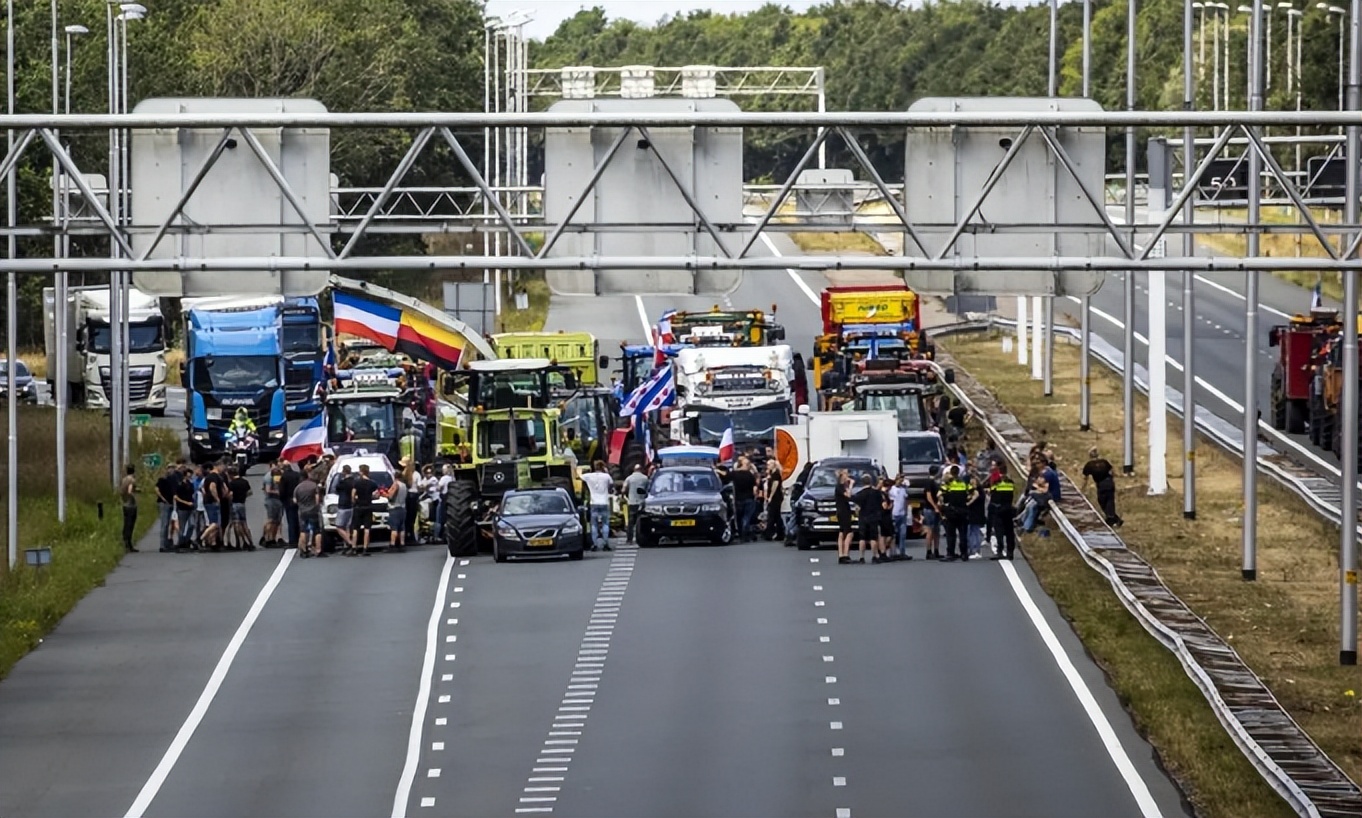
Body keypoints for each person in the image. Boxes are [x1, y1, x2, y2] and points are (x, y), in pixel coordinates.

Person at [939, 465, 974, 562]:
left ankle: (950, 554)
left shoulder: (949, 483)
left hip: (952, 510)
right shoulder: (964, 483)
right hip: (963, 510)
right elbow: (972, 492)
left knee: (951, 534)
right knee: (963, 533)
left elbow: (941, 494)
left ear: (951, 473)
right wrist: (967, 500)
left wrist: (944, 504)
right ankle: (964, 554)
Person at [1082, 447, 1123, 528]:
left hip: (1101, 484)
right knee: (1110, 501)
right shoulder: (1104, 462)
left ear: (1090, 456)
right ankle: (1115, 519)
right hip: (1109, 482)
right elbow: (1112, 471)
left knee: (1103, 502)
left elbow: (1085, 478)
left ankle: (1111, 519)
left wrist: (1083, 489)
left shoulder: (1089, 465)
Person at [581, 460, 615, 551]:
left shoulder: (589, 476)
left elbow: (579, 476)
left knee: (594, 524)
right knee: (605, 523)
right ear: (603, 467)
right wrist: (607, 472)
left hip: (594, 502)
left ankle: (594, 544)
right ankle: (606, 543)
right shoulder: (606, 476)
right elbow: (611, 487)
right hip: (604, 502)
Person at [988, 466, 1019, 561]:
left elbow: (992, 493)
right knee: (1010, 531)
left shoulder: (997, 483)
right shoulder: (1011, 483)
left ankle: (1000, 551)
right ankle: (1010, 552)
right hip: (1008, 508)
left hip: (999, 509)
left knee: (999, 532)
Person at [851, 474, 882, 564]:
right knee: (873, 537)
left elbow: (855, 503)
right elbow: (880, 503)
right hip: (873, 517)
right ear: (871, 481)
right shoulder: (876, 493)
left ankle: (861, 557)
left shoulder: (860, 494)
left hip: (863, 517)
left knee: (862, 538)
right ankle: (875, 555)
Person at [295, 469, 325, 558]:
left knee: (304, 531)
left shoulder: (298, 488)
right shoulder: (313, 486)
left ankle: (304, 550)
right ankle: (318, 550)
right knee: (317, 531)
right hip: (313, 510)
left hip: (303, 511)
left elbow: (295, 500)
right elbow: (317, 499)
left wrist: (301, 505)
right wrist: (316, 506)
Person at [349, 464, 378, 556]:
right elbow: (377, 495)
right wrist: (371, 498)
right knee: (367, 528)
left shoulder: (356, 482)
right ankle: (365, 548)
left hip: (358, 507)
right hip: (368, 506)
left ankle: (354, 548)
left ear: (361, 471)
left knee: (355, 528)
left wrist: (354, 501)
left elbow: (353, 494)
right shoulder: (372, 483)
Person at [730, 457, 759, 542]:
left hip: (738, 499)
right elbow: (755, 487)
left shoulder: (734, 474)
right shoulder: (749, 474)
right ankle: (745, 532)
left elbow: (726, 477)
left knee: (739, 517)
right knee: (746, 517)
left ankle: (741, 534)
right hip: (749, 498)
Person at [622, 464, 649, 545]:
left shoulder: (629, 478)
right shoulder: (645, 478)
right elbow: (648, 489)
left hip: (632, 502)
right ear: (641, 469)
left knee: (631, 522)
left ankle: (629, 539)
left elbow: (623, 490)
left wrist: (626, 495)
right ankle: (642, 537)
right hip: (642, 502)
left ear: (634, 469)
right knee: (641, 521)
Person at [228, 467, 254, 550]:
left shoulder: (231, 483)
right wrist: (243, 496)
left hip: (235, 504)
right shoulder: (244, 481)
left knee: (236, 524)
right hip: (242, 503)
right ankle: (250, 542)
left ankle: (240, 542)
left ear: (231, 475)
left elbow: (230, 494)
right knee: (244, 524)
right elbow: (250, 492)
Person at [154, 464, 178, 553]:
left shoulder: (174, 479)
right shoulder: (162, 479)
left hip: (171, 502)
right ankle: (162, 545)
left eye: (173, 468)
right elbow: (156, 489)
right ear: (167, 469)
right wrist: (162, 498)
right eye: (170, 468)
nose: (171, 470)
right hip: (164, 503)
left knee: (168, 523)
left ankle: (167, 543)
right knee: (164, 524)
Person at [334, 464, 356, 554]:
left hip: (343, 505)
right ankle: (346, 545)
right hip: (351, 505)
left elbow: (336, 489)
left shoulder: (342, 482)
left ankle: (349, 542)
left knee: (339, 526)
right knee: (347, 526)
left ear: (344, 472)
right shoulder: (354, 481)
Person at [922, 465, 942, 560]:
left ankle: (936, 550)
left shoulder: (935, 482)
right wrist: (935, 506)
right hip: (930, 509)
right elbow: (928, 496)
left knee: (936, 530)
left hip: (934, 508)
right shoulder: (929, 482)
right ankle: (929, 551)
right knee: (930, 530)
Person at [888, 474, 910, 559]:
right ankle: (892, 552)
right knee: (893, 534)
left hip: (902, 514)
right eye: (900, 479)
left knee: (903, 534)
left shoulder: (903, 489)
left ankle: (902, 552)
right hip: (894, 514)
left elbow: (905, 500)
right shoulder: (892, 490)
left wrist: (906, 511)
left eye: (902, 479)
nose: (901, 481)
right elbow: (891, 502)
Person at [386, 472, 409, 553]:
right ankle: (402, 544)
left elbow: (391, 496)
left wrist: (386, 494)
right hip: (403, 507)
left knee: (394, 527)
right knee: (402, 527)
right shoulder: (404, 485)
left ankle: (392, 545)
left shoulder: (395, 485)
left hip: (395, 507)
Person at [835, 470, 854, 564]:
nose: (848, 475)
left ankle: (841, 554)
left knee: (842, 532)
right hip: (844, 512)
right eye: (846, 474)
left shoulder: (841, 486)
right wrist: (851, 485)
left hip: (842, 511)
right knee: (849, 533)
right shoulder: (840, 487)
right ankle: (845, 554)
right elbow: (848, 495)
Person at [261, 466, 283, 548]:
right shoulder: (268, 478)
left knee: (276, 521)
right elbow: (268, 490)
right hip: (271, 500)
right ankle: (266, 537)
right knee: (271, 520)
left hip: (277, 501)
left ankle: (272, 539)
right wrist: (278, 492)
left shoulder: (278, 476)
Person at [763, 461, 785, 542]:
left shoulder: (776, 474)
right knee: (777, 516)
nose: (767, 465)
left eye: (769, 464)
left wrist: (771, 496)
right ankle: (780, 533)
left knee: (771, 515)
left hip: (775, 498)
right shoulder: (772, 474)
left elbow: (775, 485)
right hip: (776, 497)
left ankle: (768, 534)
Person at [120, 464, 138, 553]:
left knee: (126, 523)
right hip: (131, 505)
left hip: (124, 503)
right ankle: (129, 544)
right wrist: (133, 497)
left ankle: (125, 542)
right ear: (134, 471)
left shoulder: (124, 479)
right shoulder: (132, 480)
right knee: (130, 525)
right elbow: (130, 491)